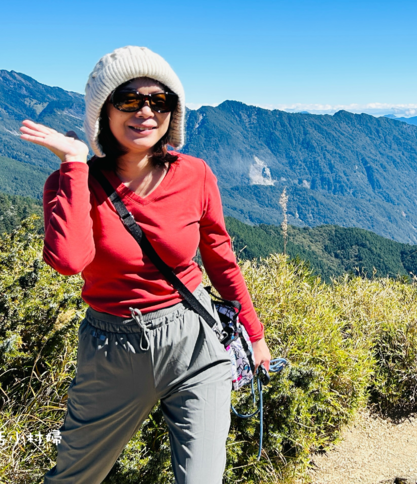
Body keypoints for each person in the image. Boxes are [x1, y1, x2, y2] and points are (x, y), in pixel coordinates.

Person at [21, 45, 271, 484]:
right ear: (104, 110)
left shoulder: (195, 174)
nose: (146, 112)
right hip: (113, 348)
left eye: (160, 100)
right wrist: (75, 165)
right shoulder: (72, 182)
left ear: (174, 112)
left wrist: (254, 334)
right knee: (74, 478)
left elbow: (220, 258)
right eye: (129, 99)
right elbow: (69, 260)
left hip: (196, 340)